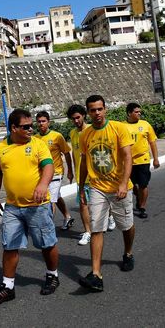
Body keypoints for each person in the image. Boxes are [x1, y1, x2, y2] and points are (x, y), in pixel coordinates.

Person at [0, 108, 58, 306]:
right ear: (13, 128)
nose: (31, 129)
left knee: (46, 243)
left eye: (32, 126)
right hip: (12, 208)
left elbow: (48, 166)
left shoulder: (38, 144)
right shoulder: (0, 149)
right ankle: (8, 287)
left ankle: (52, 275)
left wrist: (43, 184)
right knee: (9, 246)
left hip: (38, 206)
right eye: (26, 127)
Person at [78, 95, 135, 292]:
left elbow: (128, 157)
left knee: (126, 226)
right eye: (92, 110)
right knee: (96, 228)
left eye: (99, 109)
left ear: (105, 109)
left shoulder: (119, 128)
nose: (97, 113)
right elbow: (84, 163)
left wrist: (123, 183)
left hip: (120, 187)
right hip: (97, 188)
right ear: (88, 112)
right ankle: (96, 274)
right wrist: (81, 189)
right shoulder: (85, 135)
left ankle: (128, 253)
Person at [34, 111, 74, 230]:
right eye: (39, 121)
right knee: (56, 197)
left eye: (43, 121)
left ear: (49, 122)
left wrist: (70, 171)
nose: (41, 124)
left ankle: (48, 227)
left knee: (50, 199)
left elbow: (66, 153)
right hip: (42, 174)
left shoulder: (57, 136)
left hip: (56, 172)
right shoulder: (35, 138)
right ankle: (67, 216)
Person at [124, 103, 160, 219]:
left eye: (140, 112)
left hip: (143, 160)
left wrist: (155, 159)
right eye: (136, 112)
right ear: (129, 113)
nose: (139, 113)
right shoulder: (122, 126)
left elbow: (152, 142)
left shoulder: (145, 124)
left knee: (143, 185)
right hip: (128, 162)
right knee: (131, 186)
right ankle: (138, 198)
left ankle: (142, 207)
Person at [67, 105, 92, 246]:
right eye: (73, 118)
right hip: (81, 177)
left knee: (101, 204)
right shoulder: (72, 133)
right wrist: (71, 171)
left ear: (84, 115)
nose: (76, 120)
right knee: (83, 204)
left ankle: (110, 216)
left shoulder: (91, 130)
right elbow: (73, 153)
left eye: (78, 117)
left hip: (95, 175)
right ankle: (88, 232)